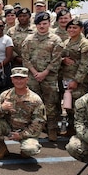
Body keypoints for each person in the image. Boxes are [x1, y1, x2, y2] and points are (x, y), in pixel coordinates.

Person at [0, 67, 45, 159]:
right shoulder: (5, 95)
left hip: (26, 131)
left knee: (30, 150)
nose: (19, 81)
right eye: (16, 78)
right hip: (9, 128)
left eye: (22, 78)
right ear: (12, 79)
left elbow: (38, 123)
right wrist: (2, 108)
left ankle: (25, 150)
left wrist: (21, 135)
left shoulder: (35, 99)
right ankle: (2, 148)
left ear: (27, 79)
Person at [21, 11, 63, 140]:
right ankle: (33, 129)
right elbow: (25, 59)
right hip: (33, 77)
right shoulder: (29, 40)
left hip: (49, 77)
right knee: (32, 103)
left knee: (51, 104)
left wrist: (44, 73)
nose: (42, 26)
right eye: (39, 24)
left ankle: (52, 129)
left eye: (45, 23)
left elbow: (56, 59)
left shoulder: (56, 40)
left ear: (49, 24)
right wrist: (34, 72)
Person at [59, 18, 88, 136]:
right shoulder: (66, 42)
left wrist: (77, 80)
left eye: (75, 27)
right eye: (70, 27)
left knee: (78, 106)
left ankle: (80, 131)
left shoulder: (85, 44)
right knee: (68, 105)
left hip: (78, 81)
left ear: (81, 29)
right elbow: (59, 56)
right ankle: (71, 128)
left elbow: (85, 64)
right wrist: (63, 60)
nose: (72, 29)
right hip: (65, 79)